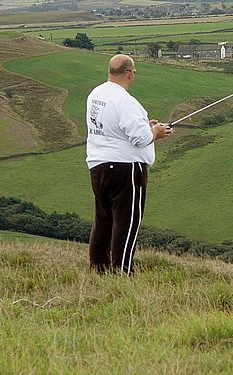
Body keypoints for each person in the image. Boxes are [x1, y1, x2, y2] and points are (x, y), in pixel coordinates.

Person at [86, 54, 172, 275]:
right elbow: (141, 139)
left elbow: (113, 127)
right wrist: (156, 131)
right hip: (125, 168)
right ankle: (122, 272)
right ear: (129, 73)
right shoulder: (125, 100)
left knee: (103, 219)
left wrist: (146, 125)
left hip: (98, 165)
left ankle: (98, 267)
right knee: (127, 222)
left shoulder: (96, 94)